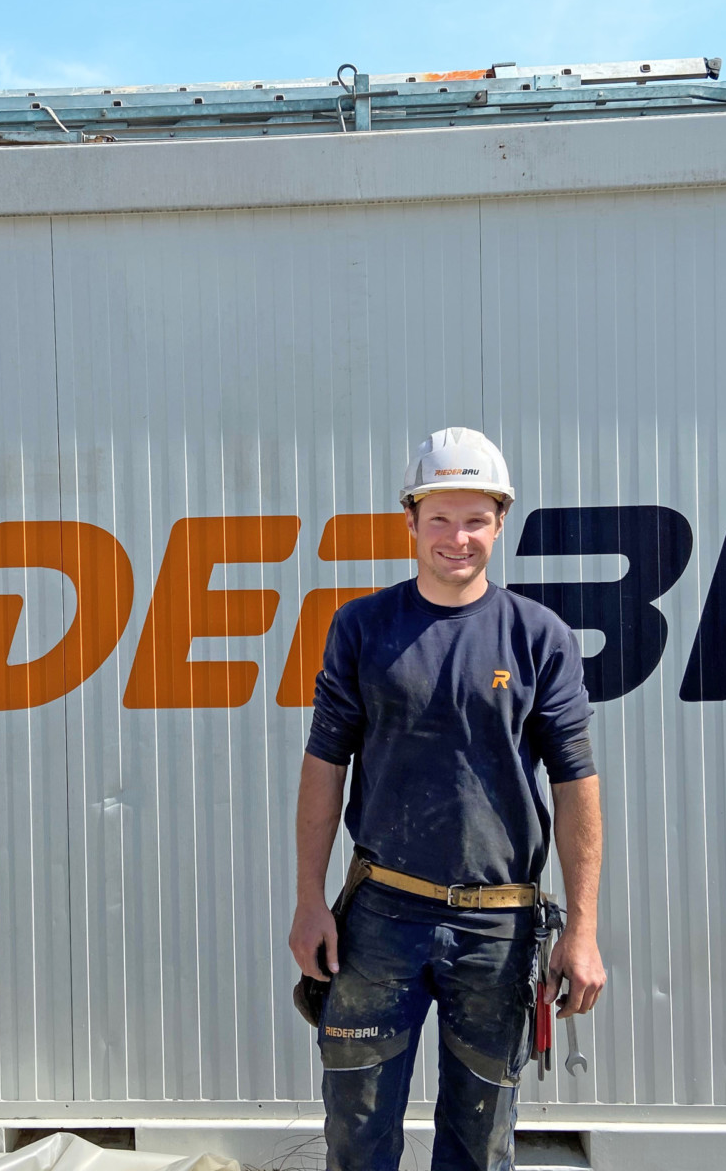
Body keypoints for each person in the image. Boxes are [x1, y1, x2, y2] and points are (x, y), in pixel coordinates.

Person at [288, 426, 606, 1171]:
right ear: (410, 520)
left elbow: (575, 786)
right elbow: (325, 766)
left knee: (479, 1143)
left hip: (498, 925)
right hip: (380, 916)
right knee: (358, 1135)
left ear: (500, 522)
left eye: (474, 519)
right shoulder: (363, 628)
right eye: (439, 518)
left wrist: (583, 929)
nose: (456, 538)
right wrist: (308, 900)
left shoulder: (539, 637)